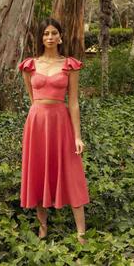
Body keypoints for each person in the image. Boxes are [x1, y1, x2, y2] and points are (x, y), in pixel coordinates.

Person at [18, 17, 90, 245]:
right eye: (46, 33)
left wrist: (78, 136)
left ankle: (81, 233)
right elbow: (32, 98)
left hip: (61, 123)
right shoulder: (29, 65)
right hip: (37, 123)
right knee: (39, 171)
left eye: (54, 33)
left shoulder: (70, 64)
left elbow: (74, 103)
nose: (50, 37)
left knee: (71, 171)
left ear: (61, 36)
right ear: (41, 37)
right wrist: (40, 111)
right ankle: (43, 227)